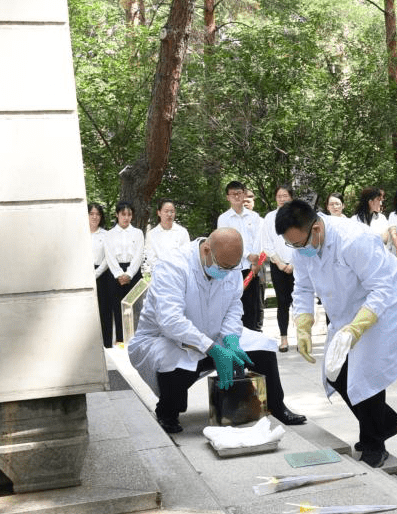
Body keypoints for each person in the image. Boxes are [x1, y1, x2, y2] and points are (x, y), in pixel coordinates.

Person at [278, 198, 397, 468]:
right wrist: (302, 324)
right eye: (292, 245)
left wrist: (359, 326)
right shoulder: (302, 246)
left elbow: (382, 288)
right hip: (346, 313)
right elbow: (301, 287)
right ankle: (386, 422)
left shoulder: (354, 239)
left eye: (299, 244)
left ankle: (373, 445)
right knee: (336, 375)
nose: (297, 250)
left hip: (381, 307)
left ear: (316, 229)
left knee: (365, 376)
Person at [126, 227, 306, 433]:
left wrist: (230, 339)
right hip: (164, 338)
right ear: (206, 251)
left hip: (215, 331)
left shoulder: (228, 265)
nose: (228, 273)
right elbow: (171, 320)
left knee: (263, 346)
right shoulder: (173, 265)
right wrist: (211, 348)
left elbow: (233, 305)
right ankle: (168, 411)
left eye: (233, 267)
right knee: (173, 359)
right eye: (224, 267)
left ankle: (276, 405)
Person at [217, 180, 264, 332]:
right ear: (227, 197)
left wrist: (256, 261)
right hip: (234, 269)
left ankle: (254, 336)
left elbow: (260, 239)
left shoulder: (254, 217)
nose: (237, 197)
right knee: (236, 306)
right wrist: (247, 254)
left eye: (239, 193)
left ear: (244, 195)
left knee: (253, 306)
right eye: (233, 194)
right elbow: (226, 241)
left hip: (252, 268)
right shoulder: (223, 219)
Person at [103, 201, 145, 345]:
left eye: (129, 215)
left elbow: (139, 254)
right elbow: (109, 255)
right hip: (115, 274)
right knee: (118, 307)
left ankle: (136, 342)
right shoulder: (109, 234)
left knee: (134, 307)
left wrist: (129, 274)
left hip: (133, 273)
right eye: (123, 214)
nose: (126, 218)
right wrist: (119, 274)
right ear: (117, 215)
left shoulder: (138, 233)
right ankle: (121, 341)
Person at [263, 186, 297, 352]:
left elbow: (304, 241)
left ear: (291, 197)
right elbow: (267, 243)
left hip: (298, 266)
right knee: (282, 303)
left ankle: (304, 338)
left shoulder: (299, 215)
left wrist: (294, 264)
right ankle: (284, 339)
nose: (282, 198)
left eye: (285, 195)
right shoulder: (270, 218)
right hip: (279, 266)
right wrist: (281, 264)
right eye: (279, 196)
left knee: (299, 303)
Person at [90, 202, 115, 347]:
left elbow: (108, 258)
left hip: (102, 275)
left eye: (98, 214)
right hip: (83, 274)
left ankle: (106, 345)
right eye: (91, 214)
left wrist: (96, 273)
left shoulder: (106, 235)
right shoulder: (79, 232)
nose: (95, 217)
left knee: (104, 311)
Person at [144, 199, 189, 276]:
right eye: (166, 211)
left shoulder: (182, 232)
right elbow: (151, 258)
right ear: (159, 213)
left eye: (172, 211)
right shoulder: (151, 234)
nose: (169, 214)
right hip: (159, 275)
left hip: (178, 274)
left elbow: (186, 255)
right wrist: (164, 270)